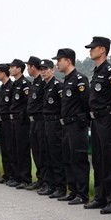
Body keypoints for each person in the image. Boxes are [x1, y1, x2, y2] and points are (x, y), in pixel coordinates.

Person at [84, 37, 111, 214]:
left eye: (93, 48)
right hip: (96, 121)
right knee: (98, 160)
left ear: (102, 50)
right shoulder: (97, 72)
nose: (90, 51)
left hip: (108, 120)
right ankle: (100, 197)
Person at [56, 48, 90, 205]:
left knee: (78, 159)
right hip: (66, 125)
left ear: (68, 61)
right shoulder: (65, 81)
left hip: (77, 124)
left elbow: (85, 102)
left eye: (59, 60)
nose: (57, 63)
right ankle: (73, 190)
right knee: (67, 158)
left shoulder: (79, 79)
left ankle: (82, 194)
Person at [39, 58, 66, 198]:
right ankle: (50, 184)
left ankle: (60, 187)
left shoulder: (57, 85)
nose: (43, 72)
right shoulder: (45, 86)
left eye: (46, 69)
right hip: (46, 123)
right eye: (41, 69)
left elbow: (63, 106)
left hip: (55, 124)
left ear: (52, 70)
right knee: (47, 155)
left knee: (56, 156)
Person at [8, 58, 33, 188]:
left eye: (12, 67)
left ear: (19, 69)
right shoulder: (14, 84)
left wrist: (23, 117)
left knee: (22, 149)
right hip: (13, 120)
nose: (10, 69)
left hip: (22, 120)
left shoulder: (25, 84)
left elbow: (27, 103)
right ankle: (15, 176)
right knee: (13, 149)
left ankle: (25, 178)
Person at [25, 56, 47, 189]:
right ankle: (40, 178)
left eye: (28, 66)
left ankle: (45, 180)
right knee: (36, 152)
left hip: (41, 120)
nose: (27, 69)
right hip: (32, 121)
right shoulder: (34, 82)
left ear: (33, 67)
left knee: (42, 152)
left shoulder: (43, 82)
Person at [0, 63, 14, 184]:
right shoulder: (2, 87)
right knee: (5, 149)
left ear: (3, 73)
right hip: (2, 121)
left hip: (9, 121)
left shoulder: (11, 86)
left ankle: (13, 174)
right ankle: (7, 174)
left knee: (11, 149)